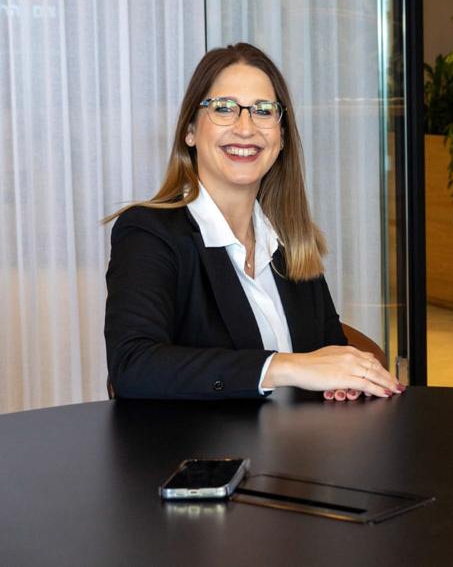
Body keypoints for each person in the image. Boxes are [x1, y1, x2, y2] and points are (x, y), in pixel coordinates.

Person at [104, 43, 402, 401]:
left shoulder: (290, 242)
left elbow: (329, 354)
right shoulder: (149, 233)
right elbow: (134, 366)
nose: (245, 128)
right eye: (223, 108)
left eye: (263, 111)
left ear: (282, 137)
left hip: (303, 437)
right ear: (190, 130)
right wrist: (283, 366)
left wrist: (343, 383)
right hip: (199, 440)